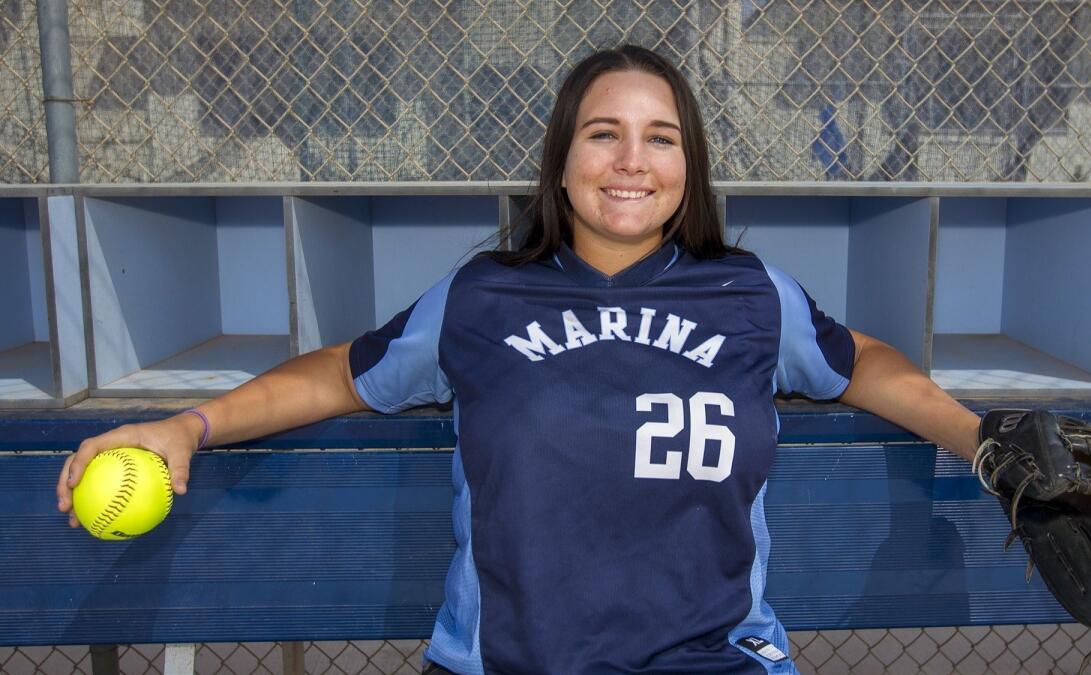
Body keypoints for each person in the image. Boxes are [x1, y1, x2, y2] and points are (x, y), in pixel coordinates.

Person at [57, 45, 982, 675]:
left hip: (714, 657)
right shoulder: (483, 297)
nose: (631, 160)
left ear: (689, 165)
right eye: (602, 133)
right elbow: (342, 373)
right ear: (563, 159)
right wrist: (185, 423)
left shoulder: (750, 293)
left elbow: (860, 362)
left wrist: (985, 440)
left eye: (660, 137)